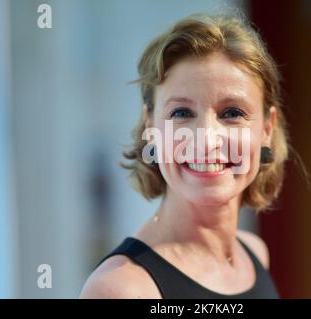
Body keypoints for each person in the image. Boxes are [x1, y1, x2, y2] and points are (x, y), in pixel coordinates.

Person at [80, 13, 291, 299]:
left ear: (266, 129)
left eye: (232, 113)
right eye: (181, 113)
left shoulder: (254, 254)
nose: (205, 139)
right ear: (151, 127)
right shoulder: (123, 288)